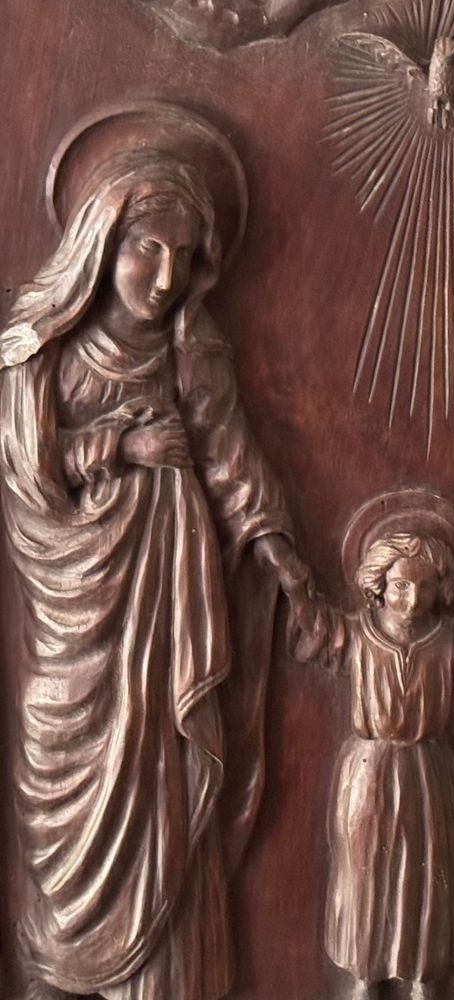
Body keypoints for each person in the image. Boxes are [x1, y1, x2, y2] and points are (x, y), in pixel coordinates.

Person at [0, 116, 311, 1000]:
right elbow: (25, 469)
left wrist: (283, 559)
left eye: (183, 257)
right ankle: (62, 969)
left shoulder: (190, 347)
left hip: (170, 603)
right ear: (102, 239)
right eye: (147, 250)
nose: (166, 277)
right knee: (65, 777)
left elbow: (232, 458)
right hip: (78, 609)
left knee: (167, 782)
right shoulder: (38, 350)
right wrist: (118, 448)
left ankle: (161, 979)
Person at [288, 489, 454, 1000]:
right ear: (378, 584)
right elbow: (314, 626)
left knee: (427, 880)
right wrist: (290, 579)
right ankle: (365, 978)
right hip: (369, 773)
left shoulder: (450, 640)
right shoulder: (356, 636)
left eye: (425, 587)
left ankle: (424, 979)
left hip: (428, 776)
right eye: (401, 586)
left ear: (441, 588)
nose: (412, 600)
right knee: (366, 878)